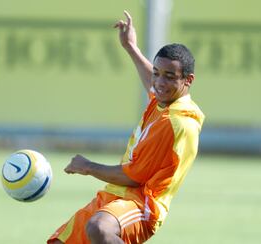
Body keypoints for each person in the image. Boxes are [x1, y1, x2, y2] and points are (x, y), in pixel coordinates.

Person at [48, 10, 205, 244]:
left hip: (142, 203)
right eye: (157, 73)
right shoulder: (166, 102)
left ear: (188, 80)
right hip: (115, 195)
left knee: (100, 229)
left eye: (170, 76)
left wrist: (87, 166)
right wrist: (131, 47)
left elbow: (133, 177)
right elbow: (151, 82)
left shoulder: (175, 122)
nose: (160, 83)